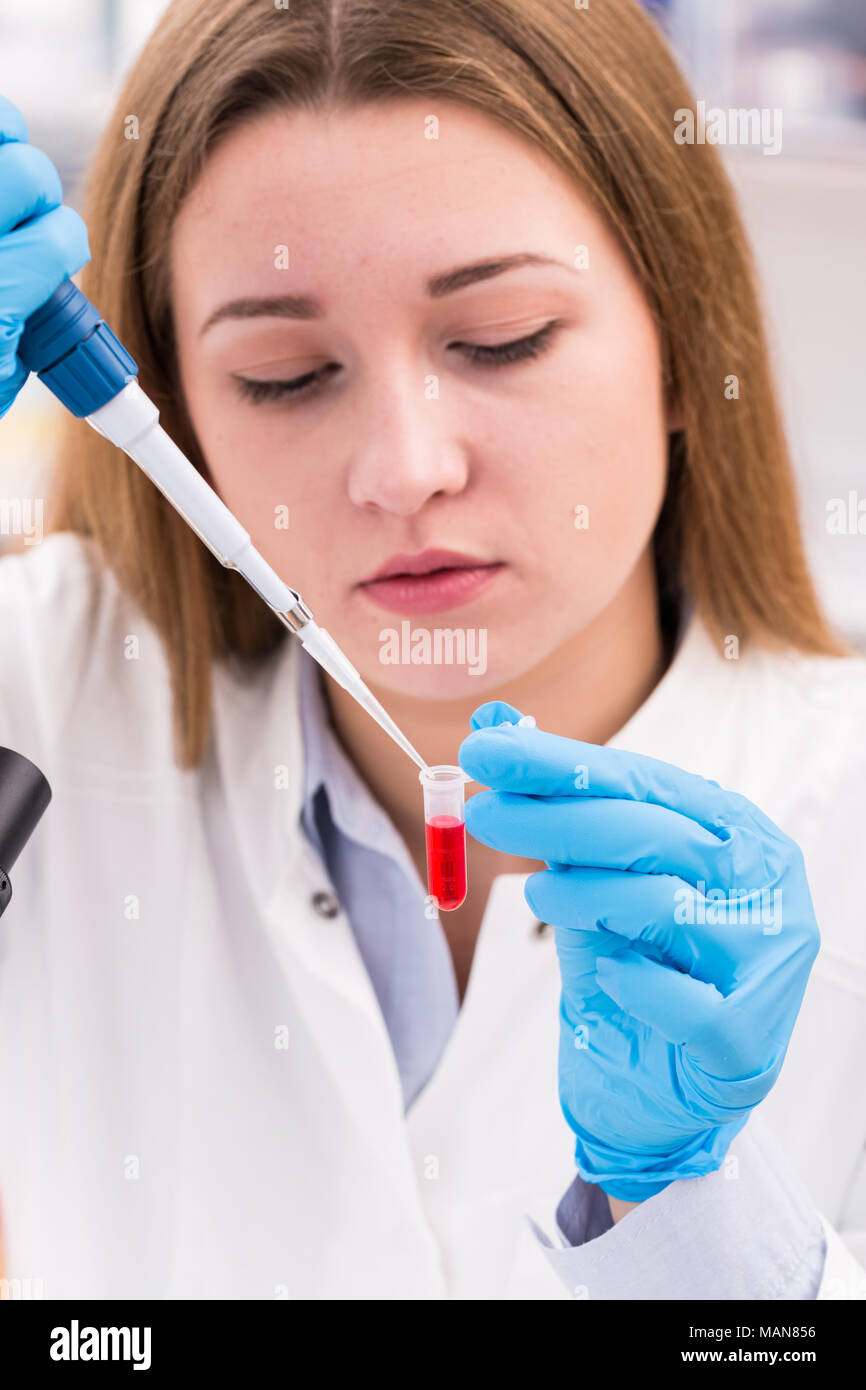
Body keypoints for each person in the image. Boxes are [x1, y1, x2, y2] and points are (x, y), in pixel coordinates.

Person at [0, 0, 864, 1300]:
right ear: (168, 404)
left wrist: (688, 1216)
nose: (405, 471)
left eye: (501, 339)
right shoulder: (47, 690)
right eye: (285, 374)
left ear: (686, 345)